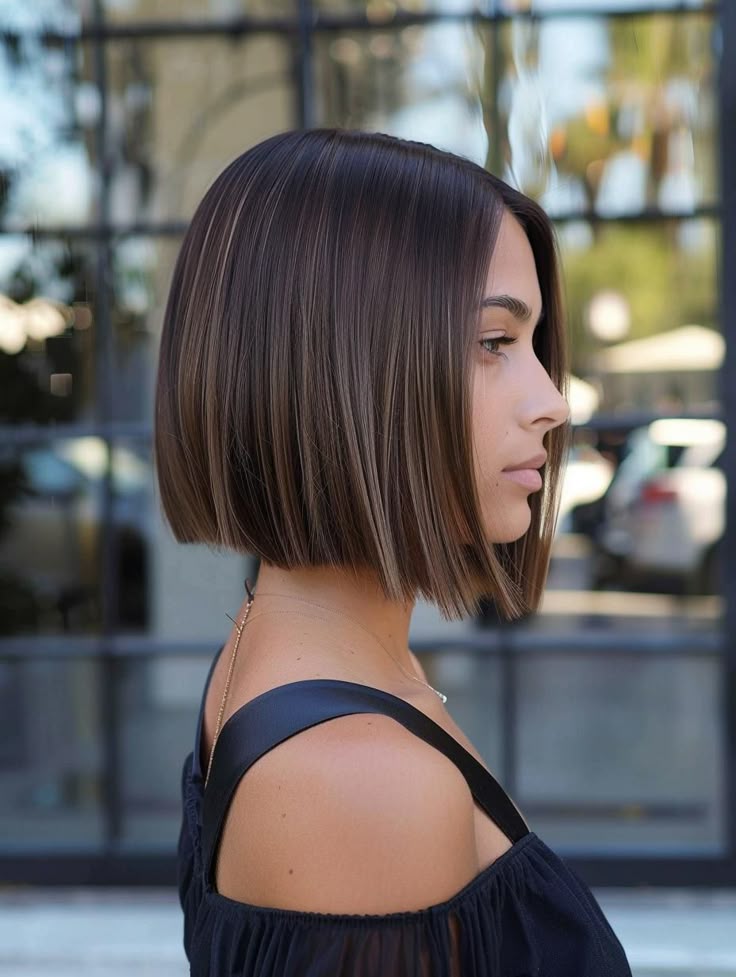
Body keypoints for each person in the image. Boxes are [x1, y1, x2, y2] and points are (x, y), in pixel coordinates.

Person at [155, 128, 633, 976]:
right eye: (494, 342)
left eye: (532, 344)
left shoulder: (280, 645)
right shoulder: (355, 779)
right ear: (349, 370)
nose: (552, 401)